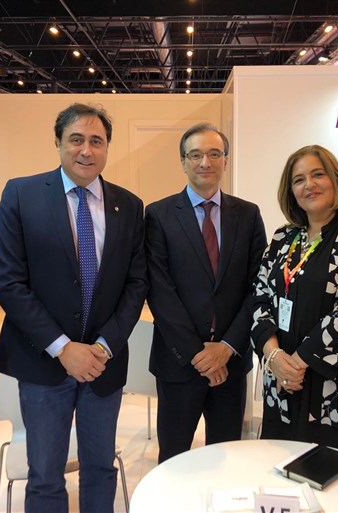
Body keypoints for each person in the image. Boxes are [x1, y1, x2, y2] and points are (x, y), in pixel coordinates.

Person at [0, 103, 148, 513]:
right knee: (45, 476)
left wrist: (104, 346)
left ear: (107, 147)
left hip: (102, 364)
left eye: (97, 141)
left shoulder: (129, 205)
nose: (86, 150)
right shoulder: (21, 195)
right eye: (76, 139)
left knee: (100, 469)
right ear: (58, 142)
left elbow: (137, 284)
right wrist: (63, 348)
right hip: (42, 362)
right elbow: (8, 282)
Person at [251, 144, 338, 466]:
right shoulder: (284, 238)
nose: (309, 185)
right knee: (283, 477)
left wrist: (295, 363)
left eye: (318, 174)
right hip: (285, 388)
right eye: (298, 180)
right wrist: (274, 357)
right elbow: (259, 299)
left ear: (335, 179)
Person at [145, 122, 267, 463]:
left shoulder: (248, 214)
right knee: (173, 459)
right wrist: (198, 353)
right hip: (179, 362)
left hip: (231, 363)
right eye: (195, 155)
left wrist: (226, 347)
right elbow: (159, 291)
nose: (205, 162)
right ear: (183, 162)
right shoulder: (158, 215)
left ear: (226, 160)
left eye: (214, 154)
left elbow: (259, 287)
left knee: (226, 458)